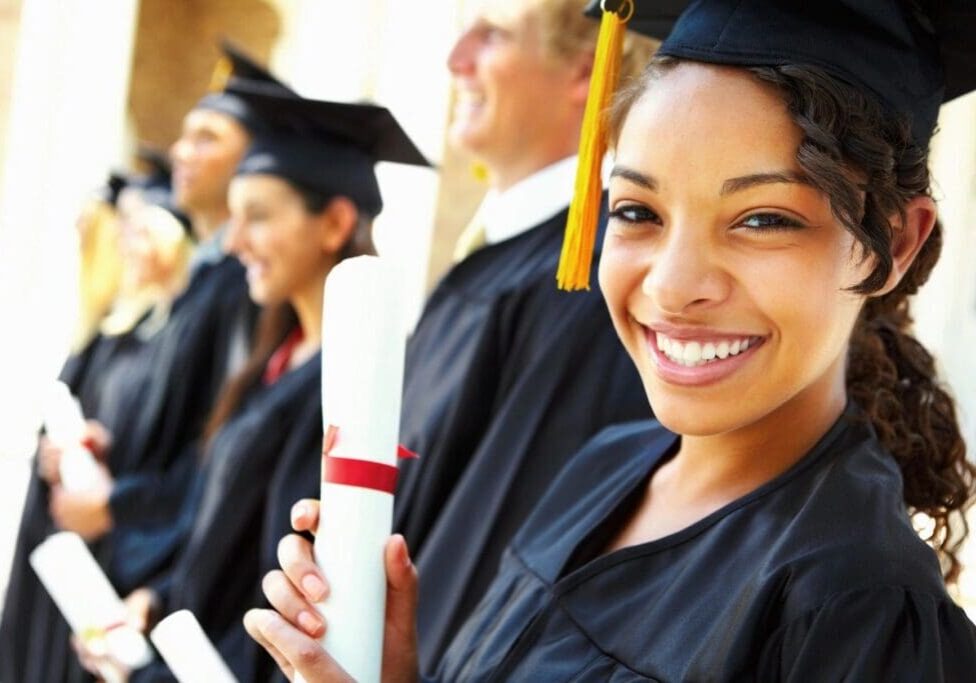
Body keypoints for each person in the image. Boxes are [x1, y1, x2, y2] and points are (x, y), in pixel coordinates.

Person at [246, 1, 976, 680]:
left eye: (763, 219)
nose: (671, 284)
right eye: (636, 210)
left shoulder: (856, 605)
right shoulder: (604, 465)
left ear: (894, 246)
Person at [77, 84, 426, 683]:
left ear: (336, 222)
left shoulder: (351, 398)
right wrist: (157, 599)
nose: (233, 241)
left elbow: (290, 593)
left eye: (257, 217)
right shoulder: (271, 362)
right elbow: (215, 531)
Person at [393, 0, 654, 667]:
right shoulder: (493, 258)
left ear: (583, 71)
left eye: (493, 35)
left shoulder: (585, 282)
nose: (457, 62)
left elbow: (500, 543)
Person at [0, 165, 194, 683]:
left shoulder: (171, 337)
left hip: (110, 536)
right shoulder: (114, 331)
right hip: (68, 521)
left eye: (142, 231)